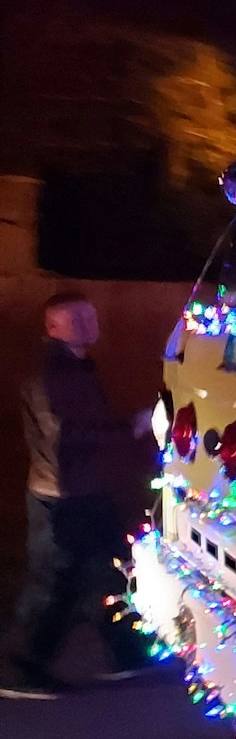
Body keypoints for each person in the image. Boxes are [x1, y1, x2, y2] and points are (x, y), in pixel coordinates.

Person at [2, 291, 153, 699]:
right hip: (62, 495)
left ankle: (127, 652)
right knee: (55, 580)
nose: (90, 324)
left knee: (111, 568)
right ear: (52, 328)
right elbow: (65, 436)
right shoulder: (55, 372)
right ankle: (18, 669)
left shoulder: (73, 366)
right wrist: (132, 429)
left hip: (82, 488)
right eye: (77, 319)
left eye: (90, 316)